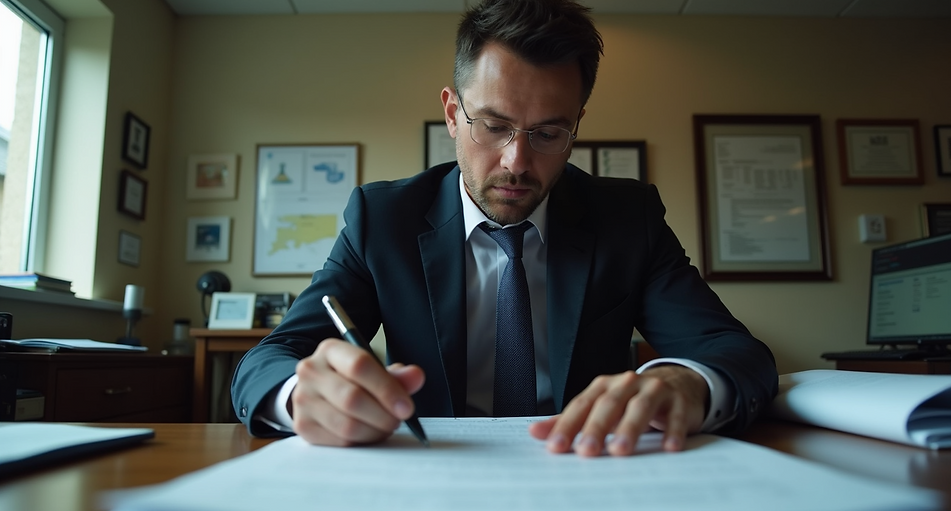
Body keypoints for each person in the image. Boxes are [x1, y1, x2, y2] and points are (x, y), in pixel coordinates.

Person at [231, 0, 778, 457]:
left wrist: (685, 381)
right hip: (431, 472)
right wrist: (302, 393)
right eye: (493, 126)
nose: (517, 162)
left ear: (576, 126)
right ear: (452, 114)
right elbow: (267, 360)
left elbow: (735, 352)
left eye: (547, 133)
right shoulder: (384, 219)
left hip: (587, 470)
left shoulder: (626, 219)